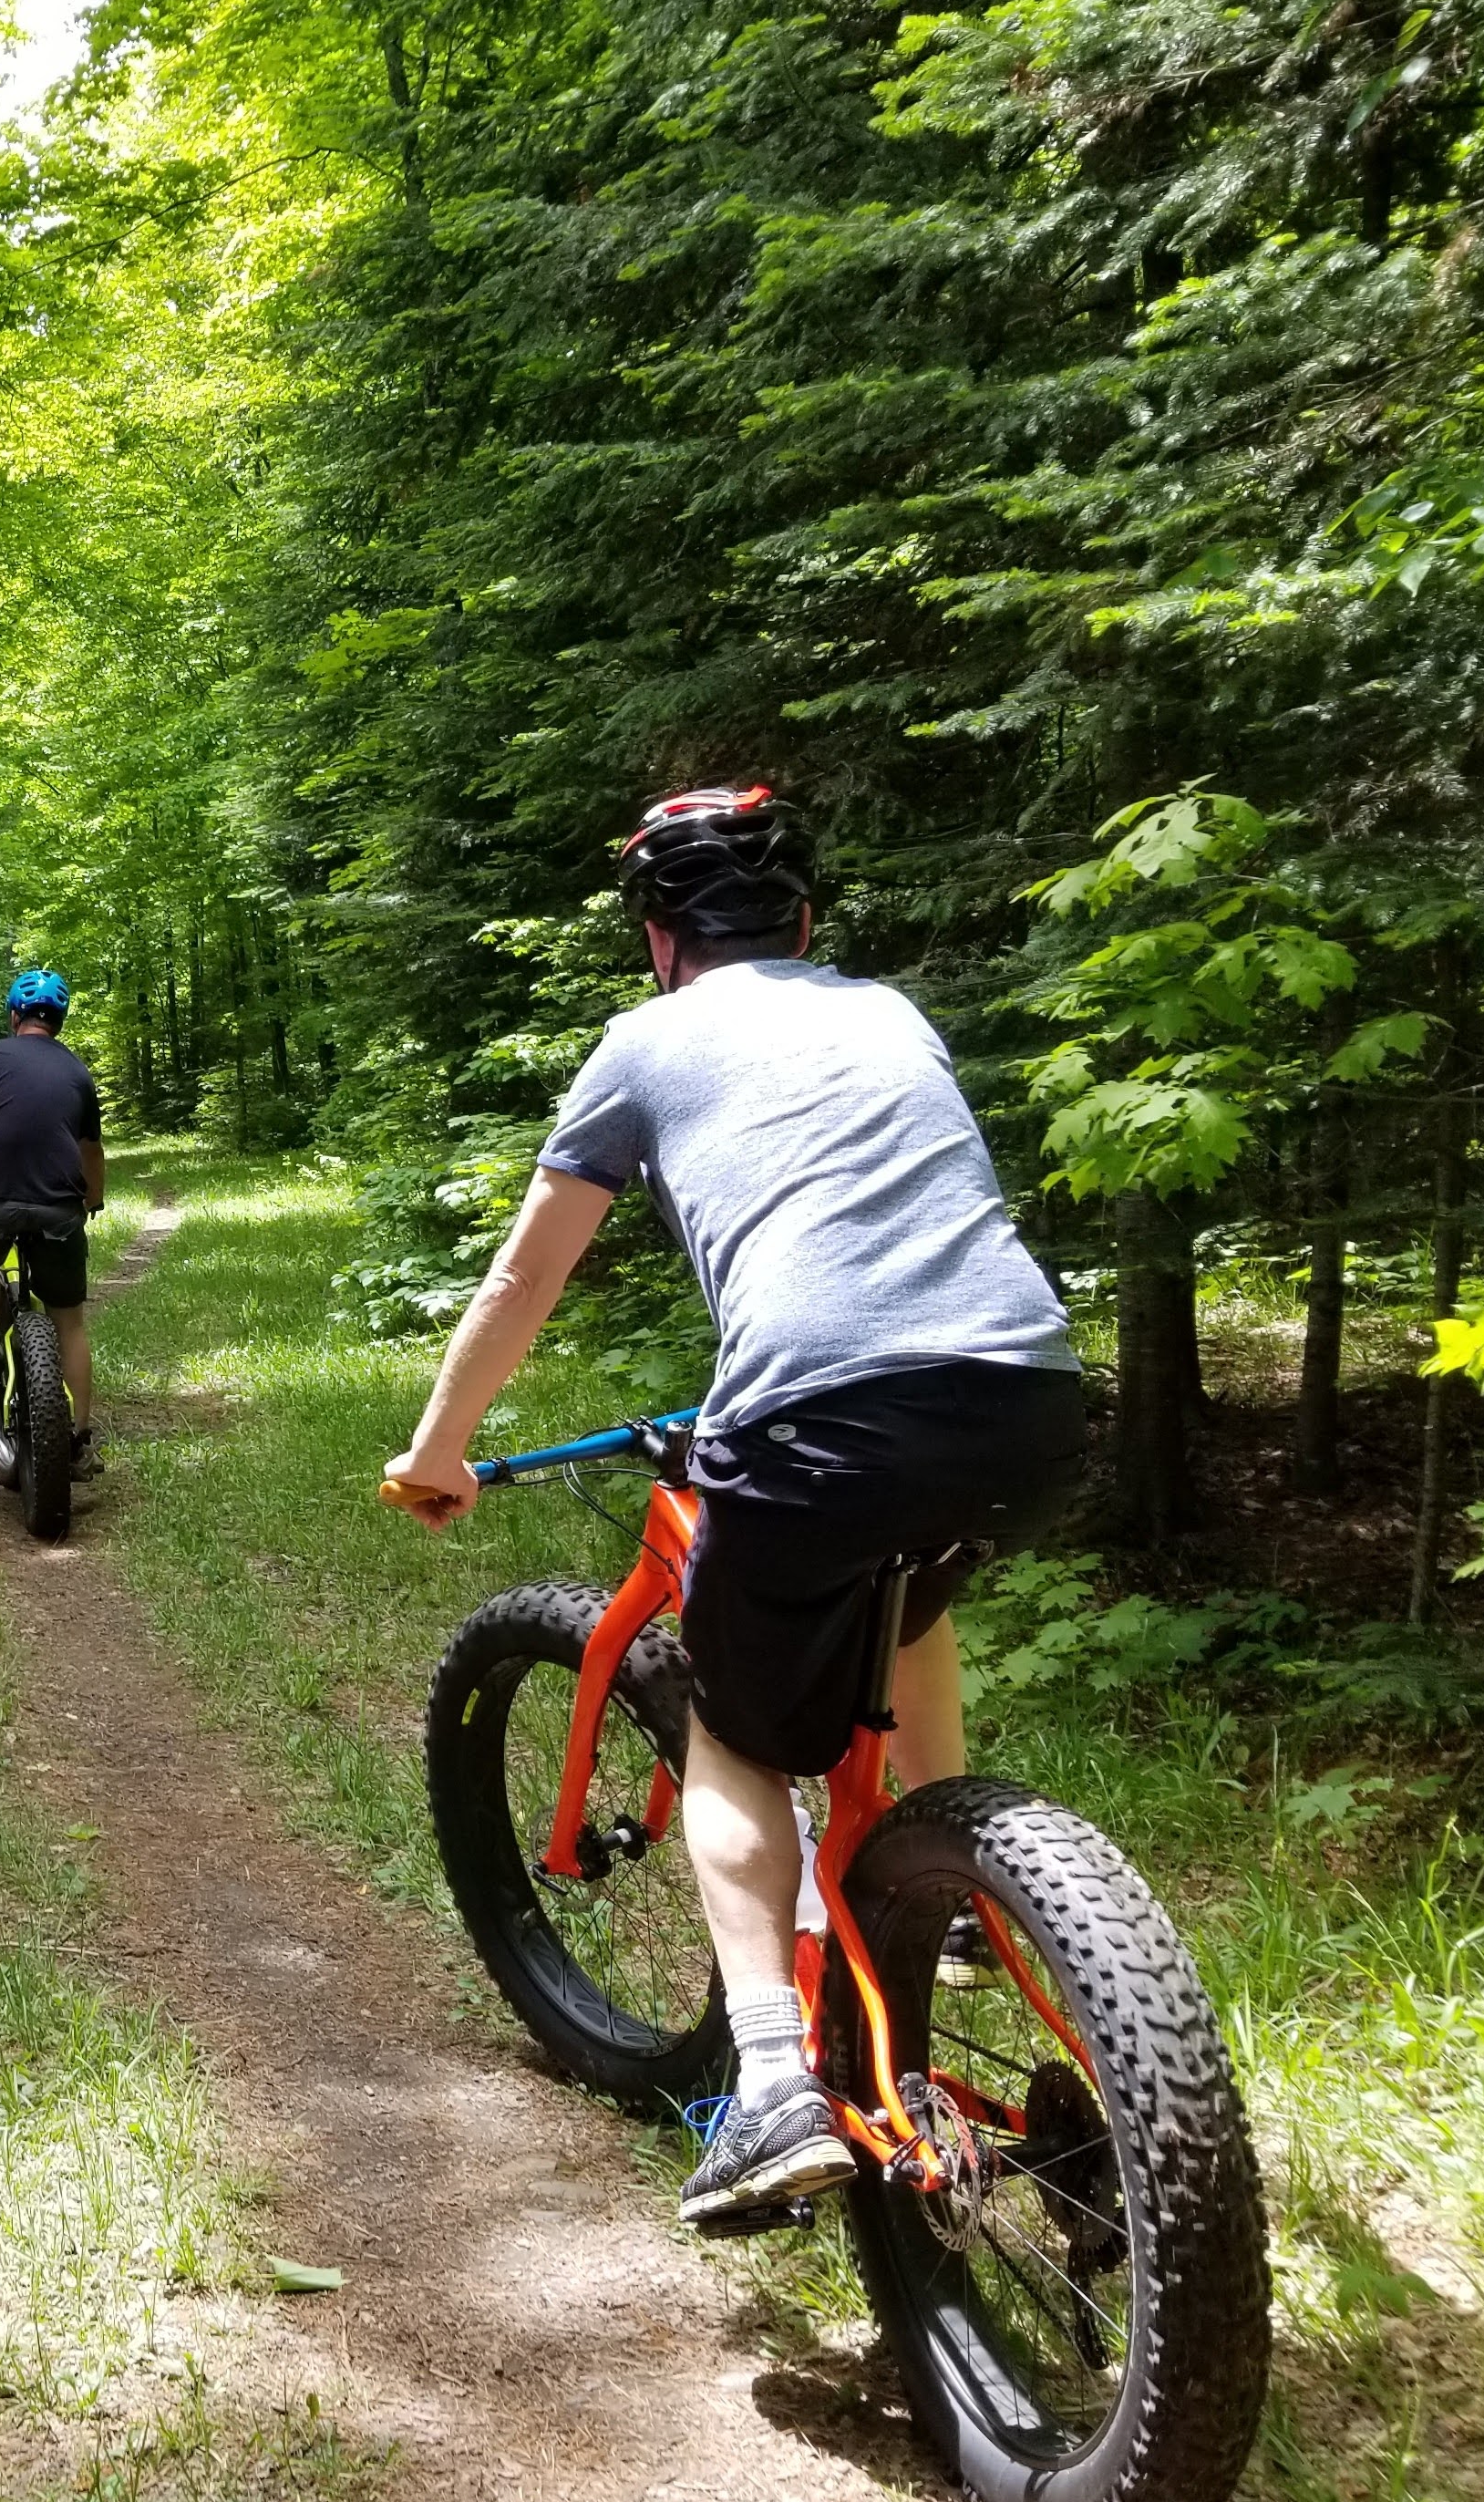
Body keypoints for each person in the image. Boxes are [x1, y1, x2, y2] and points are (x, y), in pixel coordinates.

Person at [381, 786, 1082, 2230]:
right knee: (910, 1600)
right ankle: (942, 1901)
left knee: (739, 1735)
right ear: (806, 924)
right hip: (1028, 1396)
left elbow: (526, 1277)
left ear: (657, 942)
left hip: (818, 1415)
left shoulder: (643, 1045)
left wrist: (439, 1447)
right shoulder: (889, 1015)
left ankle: (768, 2086)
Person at [0, 968, 108, 1477]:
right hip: (58, 1210)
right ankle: (78, 1440)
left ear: (14, 1016)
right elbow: (90, 1150)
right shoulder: (77, 1071)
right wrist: (92, 1199)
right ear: (60, 1022)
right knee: (68, 1322)